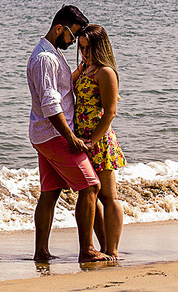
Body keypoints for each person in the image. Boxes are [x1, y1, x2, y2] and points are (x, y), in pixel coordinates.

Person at [26, 4, 108, 264]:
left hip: (44, 134)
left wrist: (82, 70)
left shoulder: (50, 53)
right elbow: (51, 104)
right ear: (59, 28)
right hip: (54, 134)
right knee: (91, 185)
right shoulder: (46, 59)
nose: (73, 42)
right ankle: (87, 250)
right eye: (72, 37)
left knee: (50, 192)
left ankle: (41, 252)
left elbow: (60, 89)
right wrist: (70, 137)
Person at [73, 24, 126, 257]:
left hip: (99, 140)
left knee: (108, 195)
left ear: (99, 47)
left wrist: (94, 140)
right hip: (82, 139)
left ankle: (112, 250)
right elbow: (66, 86)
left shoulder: (105, 72)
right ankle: (103, 246)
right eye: (81, 48)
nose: (84, 52)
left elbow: (111, 112)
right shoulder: (86, 68)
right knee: (90, 194)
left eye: (88, 48)